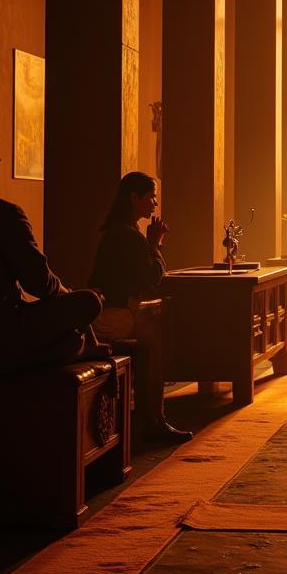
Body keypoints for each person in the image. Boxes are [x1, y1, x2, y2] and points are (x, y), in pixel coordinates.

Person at [0, 120, 105, 374]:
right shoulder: (4, 214)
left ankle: (72, 346)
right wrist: (67, 291)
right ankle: (75, 347)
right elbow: (39, 284)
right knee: (89, 301)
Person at [90, 172, 192, 443]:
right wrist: (155, 246)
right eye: (151, 196)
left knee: (153, 324)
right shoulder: (128, 235)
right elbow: (150, 277)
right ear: (134, 198)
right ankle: (154, 420)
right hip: (114, 317)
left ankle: (151, 415)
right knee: (155, 340)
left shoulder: (118, 231)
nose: (155, 203)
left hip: (105, 313)